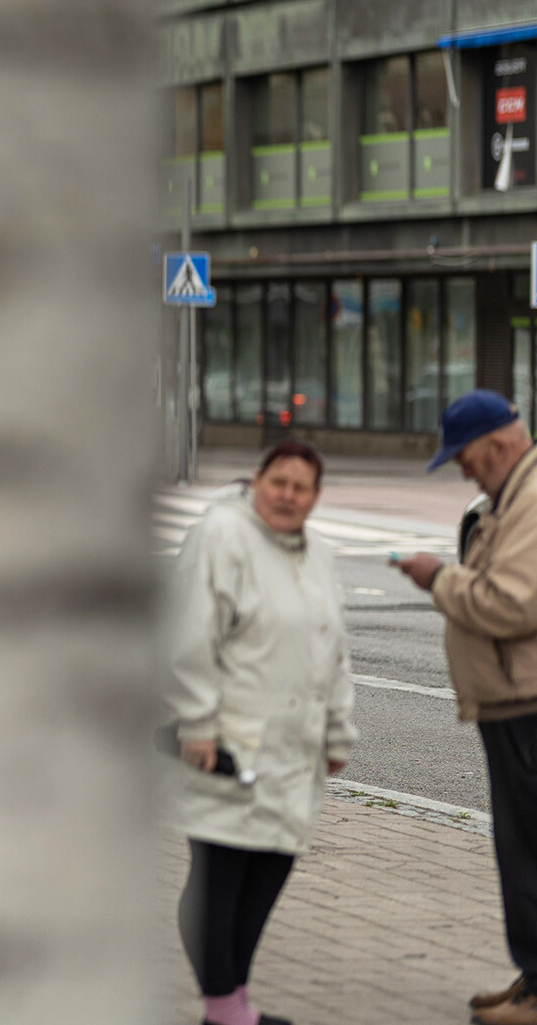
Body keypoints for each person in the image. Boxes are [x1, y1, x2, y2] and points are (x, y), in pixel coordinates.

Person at [393, 391, 537, 1025]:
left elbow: (514, 603)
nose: (463, 473)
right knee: (529, 845)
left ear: (497, 444)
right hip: (535, 695)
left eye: (464, 459)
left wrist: (438, 579)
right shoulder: (529, 491)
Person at [165, 439, 354, 1025]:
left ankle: (235, 998)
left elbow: (334, 646)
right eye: (279, 483)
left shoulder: (315, 552)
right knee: (220, 879)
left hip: (292, 750)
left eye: (301, 488)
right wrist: (195, 722)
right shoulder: (222, 536)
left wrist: (337, 733)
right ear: (258, 480)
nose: (288, 496)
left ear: (316, 498)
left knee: (267, 874)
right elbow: (188, 634)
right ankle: (223, 1009)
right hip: (228, 744)